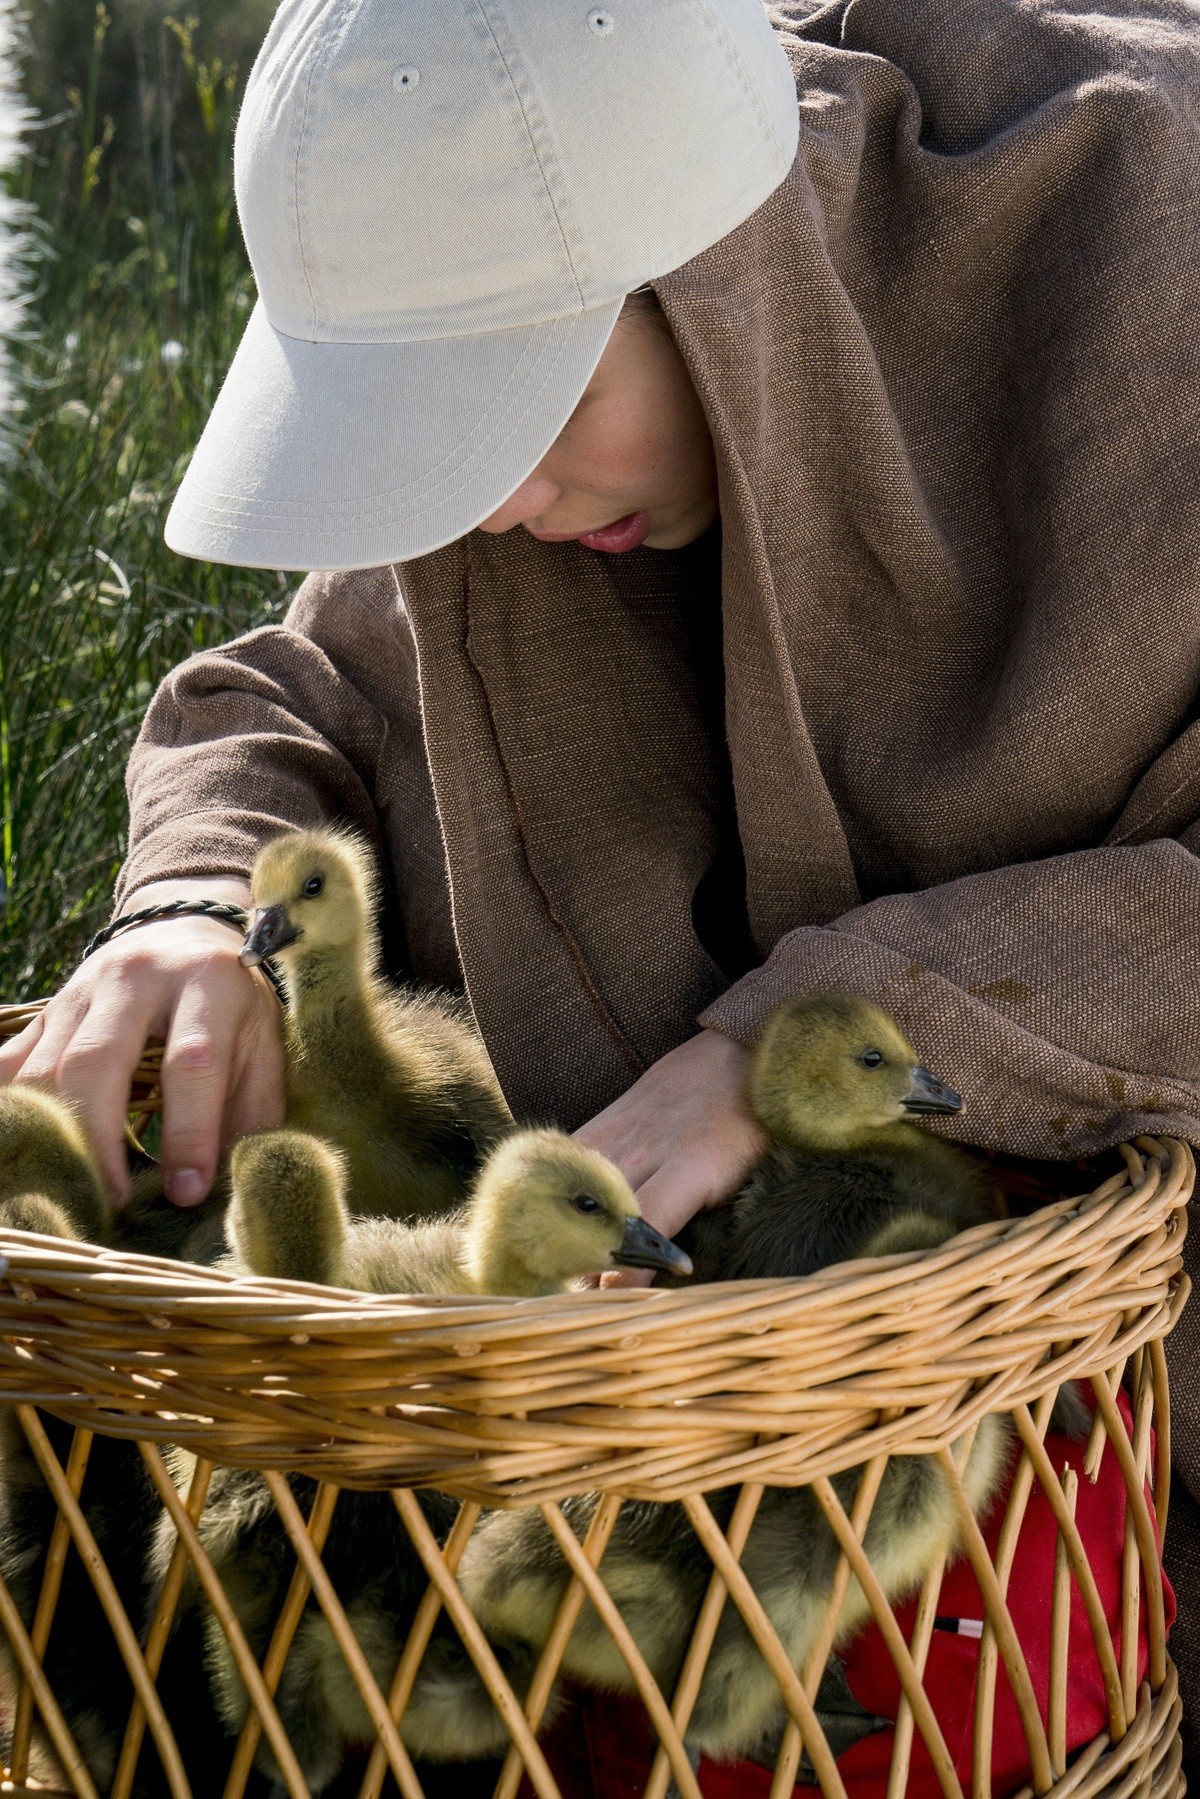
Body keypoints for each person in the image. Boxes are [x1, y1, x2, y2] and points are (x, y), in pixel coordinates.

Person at [4, 0, 1200, 1771]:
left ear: (718, 274)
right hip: (645, 1392)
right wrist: (186, 908)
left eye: (524, 398)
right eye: (440, 427)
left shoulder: (1138, 259)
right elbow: (294, 691)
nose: (488, 500)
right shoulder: (513, 498)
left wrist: (786, 1041)